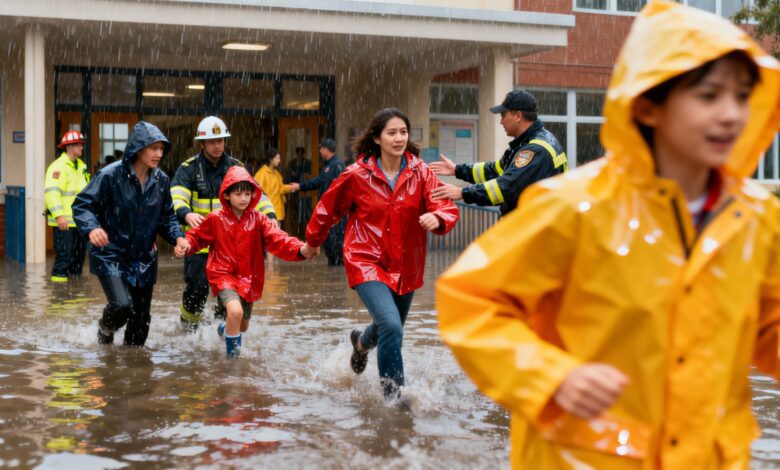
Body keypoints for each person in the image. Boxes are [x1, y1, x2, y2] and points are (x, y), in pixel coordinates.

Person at [436, 1, 780, 468]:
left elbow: (768, 325)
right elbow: (471, 300)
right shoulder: (576, 208)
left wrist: (461, 194)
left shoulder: (757, 219)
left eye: (742, 96)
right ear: (648, 105)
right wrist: (552, 378)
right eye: (708, 96)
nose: (730, 114)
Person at [306, 108, 459, 401]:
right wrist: (312, 242)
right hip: (366, 259)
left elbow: (445, 204)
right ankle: (394, 399)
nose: (399, 138)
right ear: (376, 138)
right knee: (391, 325)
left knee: (389, 328)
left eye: (403, 132)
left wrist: (438, 218)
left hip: (406, 263)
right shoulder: (355, 175)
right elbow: (327, 209)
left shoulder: (421, 172)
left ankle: (361, 343)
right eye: (392, 132)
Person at [177, 166, 318, 357]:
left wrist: (301, 249)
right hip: (223, 274)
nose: (243, 198)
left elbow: (278, 239)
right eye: (238, 194)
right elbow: (197, 236)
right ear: (226, 195)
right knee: (235, 313)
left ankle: (223, 329)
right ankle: (233, 365)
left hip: (249, 277)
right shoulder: (215, 219)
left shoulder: (259, 219)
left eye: (247, 193)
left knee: (242, 325)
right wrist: (185, 244)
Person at [73, 122, 189, 347]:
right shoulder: (110, 175)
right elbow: (82, 205)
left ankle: (132, 371)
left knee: (141, 321)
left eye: (161, 149)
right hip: (110, 253)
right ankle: (105, 329)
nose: (158, 154)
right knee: (122, 306)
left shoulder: (161, 180)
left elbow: (166, 217)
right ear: (138, 148)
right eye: (153, 148)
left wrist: (178, 237)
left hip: (144, 257)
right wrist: (93, 228)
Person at [170, 116, 277, 330]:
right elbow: (175, 197)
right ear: (202, 144)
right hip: (199, 243)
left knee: (228, 295)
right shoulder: (188, 168)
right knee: (197, 290)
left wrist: (271, 216)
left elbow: (257, 194)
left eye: (220, 140)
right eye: (212, 141)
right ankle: (188, 330)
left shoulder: (236, 167)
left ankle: (222, 332)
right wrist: (186, 214)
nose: (217, 145)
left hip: (229, 245)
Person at [430, 89, 566, 217]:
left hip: (534, 230)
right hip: (532, 225)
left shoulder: (535, 150)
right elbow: (496, 170)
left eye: (503, 115)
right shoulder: (528, 142)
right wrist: (457, 170)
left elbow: (506, 186)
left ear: (518, 115)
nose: (501, 121)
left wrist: (463, 193)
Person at [290, 138, 347, 266]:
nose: (320, 151)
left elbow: (338, 190)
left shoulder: (336, 166)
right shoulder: (328, 165)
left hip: (336, 212)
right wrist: (301, 186)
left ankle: (337, 271)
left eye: (321, 148)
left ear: (327, 149)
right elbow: (319, 181)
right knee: (330, 244)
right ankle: (333, 270)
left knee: (336, 243)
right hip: (329, 211)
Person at [44, 130, 91, 283]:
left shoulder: (81, 167)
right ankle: (60, 296)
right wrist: (59, 216)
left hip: (79, 222)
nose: (82, 148)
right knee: (64, 259)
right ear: (70, 147)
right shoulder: (58, 167)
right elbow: (51, 193)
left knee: (78, 260)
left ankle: (75, 295)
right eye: (79, 145)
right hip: (64, 223)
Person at [254, 148, 294, 228]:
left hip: (277, 210)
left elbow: (280, 189)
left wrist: (291, 187)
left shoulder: (277, 174)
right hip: (267, 211)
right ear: (271, 159)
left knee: (276, 235)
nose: (279, 160)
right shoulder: (261, 174)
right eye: (277, 158)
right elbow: (257, 191)